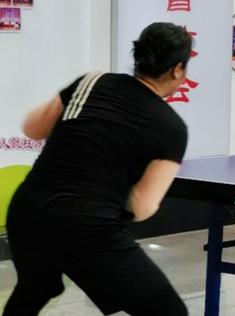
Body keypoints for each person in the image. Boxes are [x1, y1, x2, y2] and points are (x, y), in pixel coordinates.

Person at [3, 22, 192, 316]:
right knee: (168, 312)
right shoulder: (172, 128)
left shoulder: (91, 82)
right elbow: (142, 207)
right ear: (178, 69)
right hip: (87, 227)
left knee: (34, 289)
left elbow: (32, 128)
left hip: (28, 213)